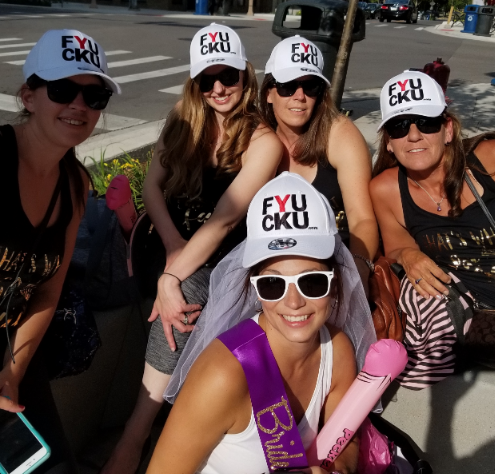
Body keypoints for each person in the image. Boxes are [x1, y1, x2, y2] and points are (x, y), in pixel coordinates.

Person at [102, 23, 282, 474]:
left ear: (246, 74)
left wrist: (174, 275)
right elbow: (152, 186)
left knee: (185, 300)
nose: (218, 88)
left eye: (228, 76)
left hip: (218, 256)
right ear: (195, 82)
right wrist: (171, 251)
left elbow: (225, 220)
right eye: (207, 79)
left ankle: (134, 437)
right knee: (172, 292)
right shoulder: (184, 119)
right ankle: (142, 427)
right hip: (165, 242)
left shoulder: (262, 141)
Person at [149, 172, 377, 474]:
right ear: (254, 288)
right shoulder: (223, 375)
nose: (293, 302)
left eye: (311, 282)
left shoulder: (337, 352)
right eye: (273, 284)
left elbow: (345, 440)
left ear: (334, 283)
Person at [0, 29, 120, 472]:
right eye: (63, 90)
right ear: (29, 97)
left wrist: (11, 374)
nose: (79, 105)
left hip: (12, 346)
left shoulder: (74, 184)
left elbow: (48, 292)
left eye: (94, 96)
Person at [370, 70, 495, 390]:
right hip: (468, 315)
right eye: (400, 126)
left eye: (426, 122)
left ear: (448, 129)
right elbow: (396, 244)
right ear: (389, 142)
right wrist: (408, 255)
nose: (413, 135)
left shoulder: (486, 159)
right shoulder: (386, 188)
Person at [258, 36, 379, 295]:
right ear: (269, 92)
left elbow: (362, 219)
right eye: (287, 86)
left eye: (310, 86)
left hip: (332, 268)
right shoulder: (256, 139)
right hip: (272, 272)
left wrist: (359, 270)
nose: (300, 96)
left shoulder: (339, 134)